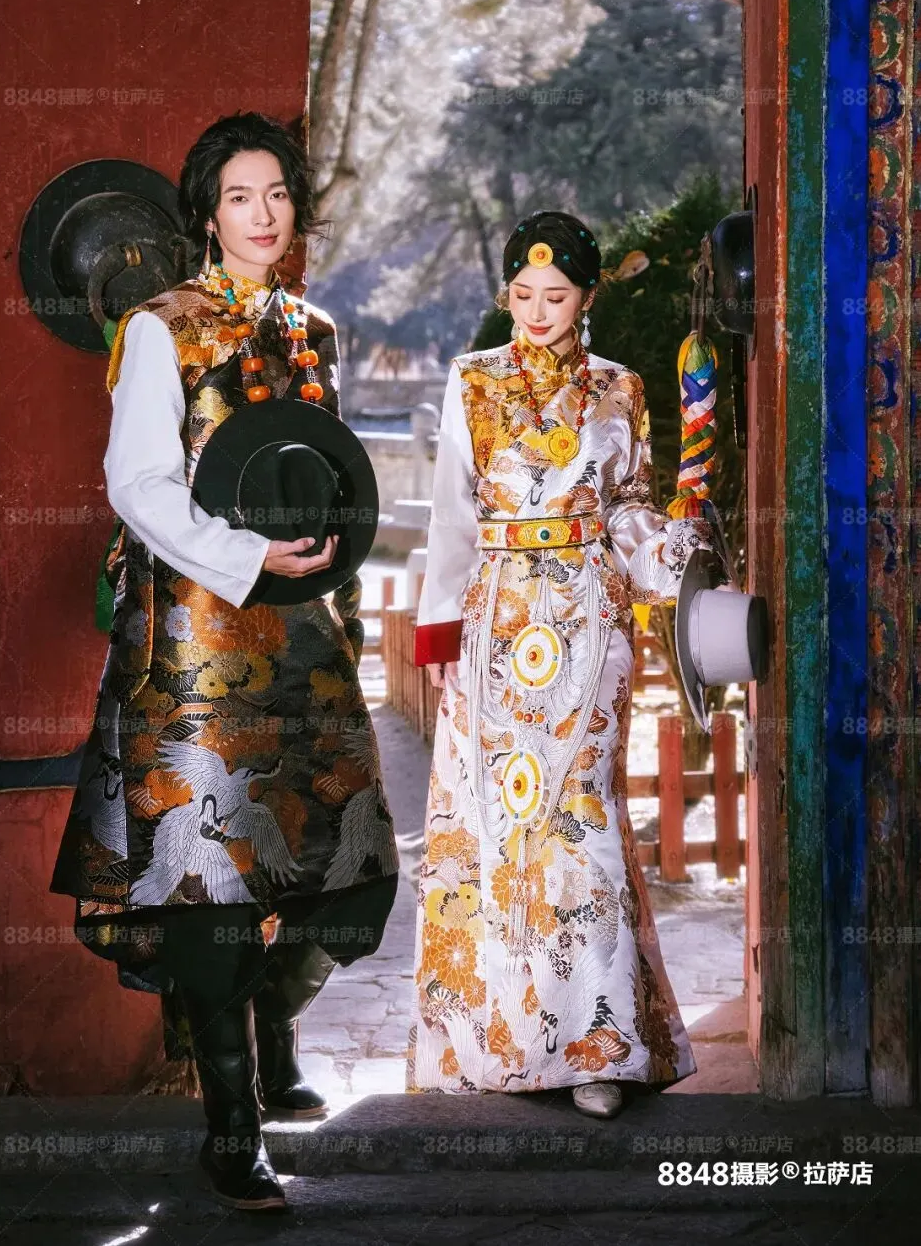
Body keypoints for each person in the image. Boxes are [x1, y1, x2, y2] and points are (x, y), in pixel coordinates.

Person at [51, 112, 399, 1211]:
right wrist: (247, 557)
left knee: (342, 866)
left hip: (304, 631)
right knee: (210, 875)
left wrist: (335, 567)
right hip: (198, 638)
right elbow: (139, 485)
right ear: (208, 213)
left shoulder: (315, 330)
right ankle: (232, 1125)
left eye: (278, 194)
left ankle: (274, 1032)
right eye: (241, 196)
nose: (263, 215)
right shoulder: (162, 329)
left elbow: (329, 472)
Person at [406, 210, 720, 1117]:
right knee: (494, 823)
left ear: (587, 297)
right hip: (495, 619)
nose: (537, 311)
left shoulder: (621, 387)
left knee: (580, 817)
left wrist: (675, 548)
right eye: (522, 294)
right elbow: (451, 516)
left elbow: (627, 506)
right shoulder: (472, 379)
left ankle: (598, 1050)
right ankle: (496, 1043)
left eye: (556, 295)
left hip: (589, 619)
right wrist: (437, 633)